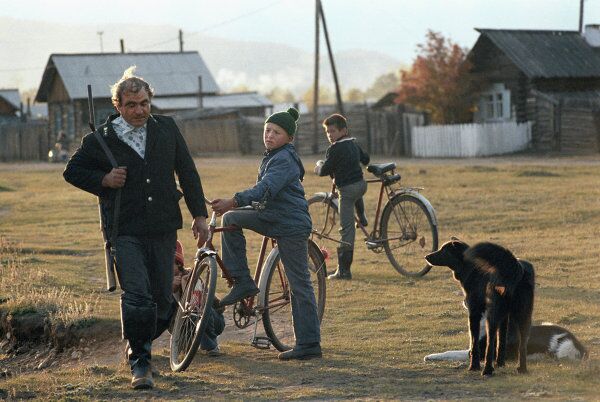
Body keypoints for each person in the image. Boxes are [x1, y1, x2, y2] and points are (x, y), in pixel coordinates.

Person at [63, 66, 209, 390]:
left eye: (144, 103)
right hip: (123, 229)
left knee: (160, 297)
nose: (139, 110)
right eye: (131, 105)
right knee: (138, 296)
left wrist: (199, 216)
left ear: (150, 101)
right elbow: (72, 171)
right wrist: (103, 180)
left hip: (162, 227)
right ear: (118, 106)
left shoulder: (167, 129)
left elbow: (187, 172)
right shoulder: (101, 139)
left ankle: (143, 333)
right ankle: (140, 361)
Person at [211, 107, 322, 360]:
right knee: (231, 219)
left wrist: (235, 200)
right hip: (273, 216)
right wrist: (236, 206)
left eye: (277, 132)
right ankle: (242, 283)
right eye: (267, 130)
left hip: (291, 224)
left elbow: (266, 187)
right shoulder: (273, 155)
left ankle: (309, 344)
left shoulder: (284, 159)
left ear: (289, 138)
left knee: (299, 285)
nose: (269, 136)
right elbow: (265, 194)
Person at [314, 113, 370, 280]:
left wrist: (318, 167)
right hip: (361, 186)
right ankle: (362, 216)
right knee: (356, 194)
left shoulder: (335, 148)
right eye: (327, 132)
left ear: (343, 130)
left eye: (333, 131)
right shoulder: (353, 143)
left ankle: (344, 271)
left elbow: (325, 170)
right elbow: (366, 160)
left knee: (346, 230)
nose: (330, 135)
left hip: (346, 190)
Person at [172, 240, 224, 357]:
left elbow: (196, 304)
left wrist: (185, 285)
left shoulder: (190, 276)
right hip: (186, 322)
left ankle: (211, 345)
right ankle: (184, 343)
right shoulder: (165, 282)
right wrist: (170, 289)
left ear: (179, 264)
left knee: (197, 312)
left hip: (212, 317)